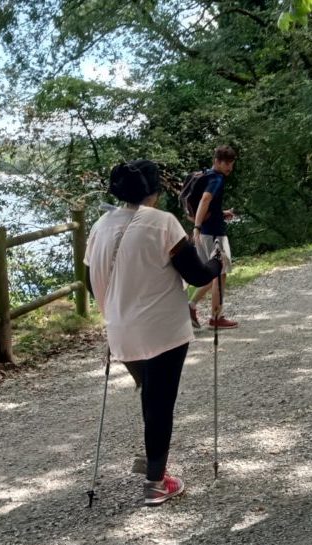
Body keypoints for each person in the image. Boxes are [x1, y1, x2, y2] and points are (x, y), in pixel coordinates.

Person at [84, 159, 222, 506]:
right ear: (155, 193)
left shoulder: (100, 225)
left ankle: (153, 458)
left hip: (120, 330)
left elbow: (90, 280)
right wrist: (218, 262)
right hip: (162, 330)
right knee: (160, 403)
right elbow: (197, 275)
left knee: (151, 396)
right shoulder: (162, 223)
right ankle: (156, 482)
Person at [189, 145, 238, 329]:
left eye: (231, 164)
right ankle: (216, 318)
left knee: (214, 274)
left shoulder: (207, 175)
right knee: (220, 273)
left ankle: (191, 306)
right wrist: (197, 226)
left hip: (206, 231)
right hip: (213, 233)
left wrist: (221, 212)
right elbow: (205, 200)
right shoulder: (217, 179)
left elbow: (208, 204)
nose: (229, 168)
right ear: (216, 161)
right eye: (226, 163)